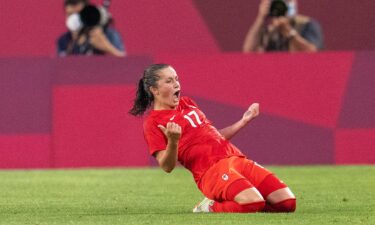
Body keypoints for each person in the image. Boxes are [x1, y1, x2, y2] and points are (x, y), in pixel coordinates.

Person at [129, 64, 296, 213]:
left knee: (287, 203)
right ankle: (209, 206)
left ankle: (244, 200)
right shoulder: (153, 122)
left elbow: (215, 136)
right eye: (169, 81)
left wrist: (244, 121)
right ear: (154, 90)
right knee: (253, 203)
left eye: (177, 79)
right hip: (210, 171)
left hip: (235, 159)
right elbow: (167, 166)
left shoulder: (187, 103)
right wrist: (173, 141)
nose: (176, 84)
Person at [243, 0, 323, 53]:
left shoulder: (307, 24)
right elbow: (249, 52)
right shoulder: (270, 30)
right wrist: (260, 18)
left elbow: (313, 54)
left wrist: (290, 34)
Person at [57, 0, 125, 57]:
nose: (74, 19)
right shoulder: (63, 40)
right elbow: (59, 68)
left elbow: (125, 63)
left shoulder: (108, 34)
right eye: (70, 14)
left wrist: (106, 47)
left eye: (78, 14)